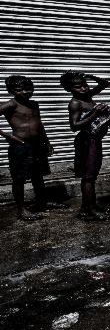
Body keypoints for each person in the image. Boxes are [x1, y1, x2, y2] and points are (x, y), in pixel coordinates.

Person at [61, 71, 110, 221]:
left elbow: (105, 84)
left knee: (91, 176)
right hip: (87, 142)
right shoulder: (76, 102)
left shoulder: (88, 96)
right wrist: (95, 114)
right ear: (69, 89)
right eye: (78, 87)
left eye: (85, 85)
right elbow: (74, 126)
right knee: (88, 177)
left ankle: (86, 207)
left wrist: (90, 77)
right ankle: (91, 209)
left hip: (94, 141)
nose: (83, 88)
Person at [1, 75, 53, 221]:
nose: (25, 92)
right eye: (20, 89)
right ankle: (21, 209)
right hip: (20, 146)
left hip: (36, 145)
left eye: (28, 88)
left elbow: (40, 125)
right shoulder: (11, 105)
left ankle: (42, 202)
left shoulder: (34, 104)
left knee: (38, 175)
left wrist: (47, 142)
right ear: (11, 91)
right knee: (19, 178)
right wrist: (8, 136)